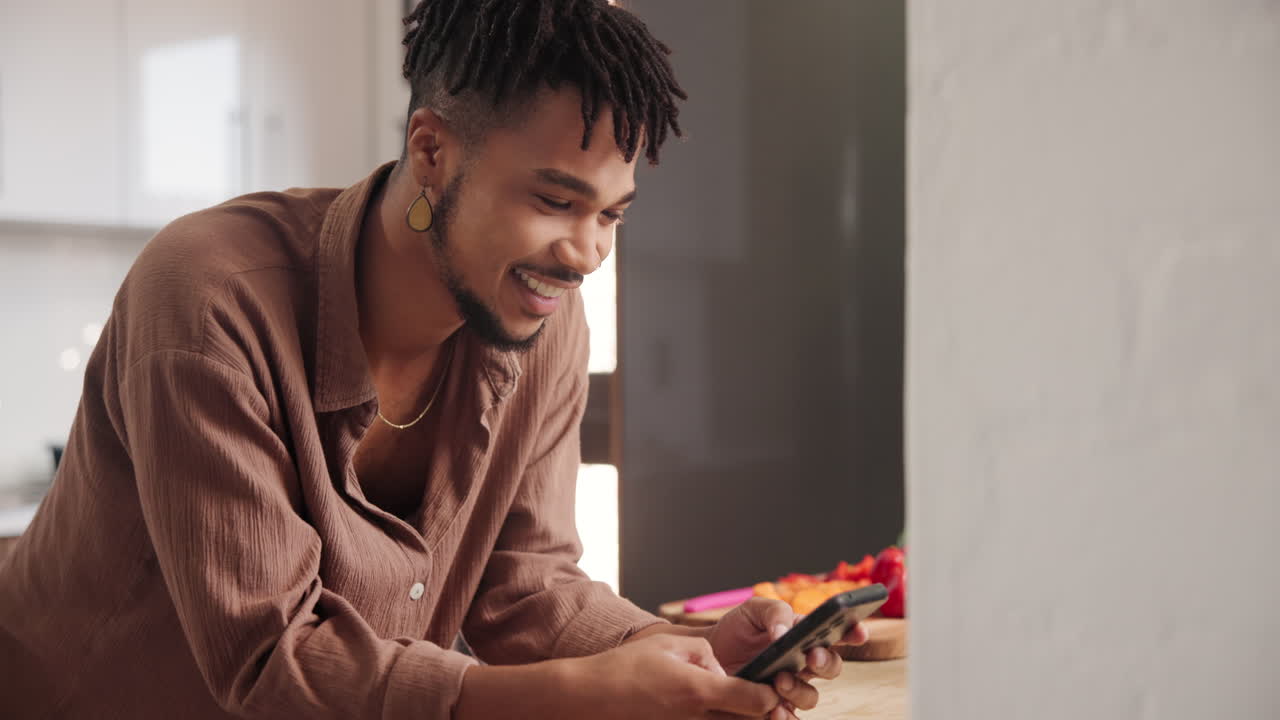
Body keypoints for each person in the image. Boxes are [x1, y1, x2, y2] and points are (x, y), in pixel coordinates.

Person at [0, 1, 867, 717]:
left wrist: (674, 650)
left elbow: (527, 587)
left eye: (611, 214)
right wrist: (587, 694)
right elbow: (274, 665)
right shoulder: (208, 296)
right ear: (430, 151)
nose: (586, 254)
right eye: (554, 200)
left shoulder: (543, 322)